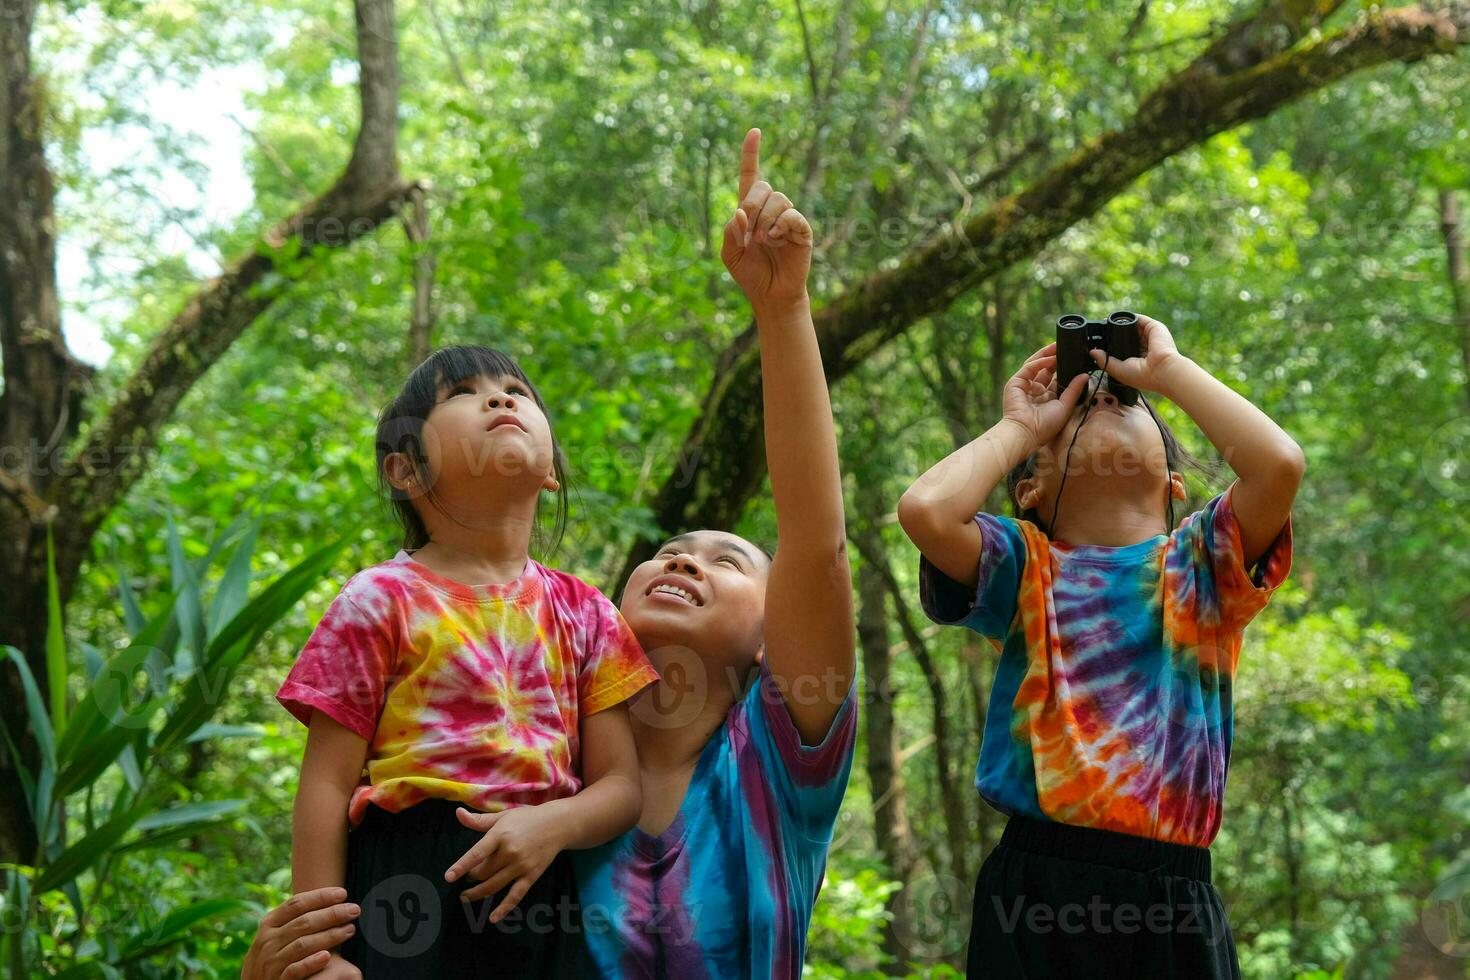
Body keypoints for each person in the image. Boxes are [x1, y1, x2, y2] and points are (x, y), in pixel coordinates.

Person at [244, 126, 858, 980]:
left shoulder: (769, 767)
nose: (684, 561)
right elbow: (329, 790)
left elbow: (816, 545)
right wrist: (308, 956)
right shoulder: (413, 616)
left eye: (727, 560)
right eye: (670, 550)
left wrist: (783, 308)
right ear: (405, 469)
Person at [897, 319, 1300, 978]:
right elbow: (927, 509)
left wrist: (1166, 372)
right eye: (1078, 409)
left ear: (1174, 485)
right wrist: (1023, 426)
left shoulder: (1203, 566)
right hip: (1032, 886)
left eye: (1124, 402)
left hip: (1172, 896)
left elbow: (1278, 464)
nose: (1101, 399)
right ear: (1028, 488)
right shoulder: (1023, 566)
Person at [275, 344, 660, 977]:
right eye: (461, 393)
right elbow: (325, 784)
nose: (502, 398)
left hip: (540, 876)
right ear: (406, 471)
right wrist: (322, 954)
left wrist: (555, 824)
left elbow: (621, 787)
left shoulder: (587, 610)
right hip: (404, 877)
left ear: (551, 473)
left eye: (518, 391)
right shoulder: (379, 597)